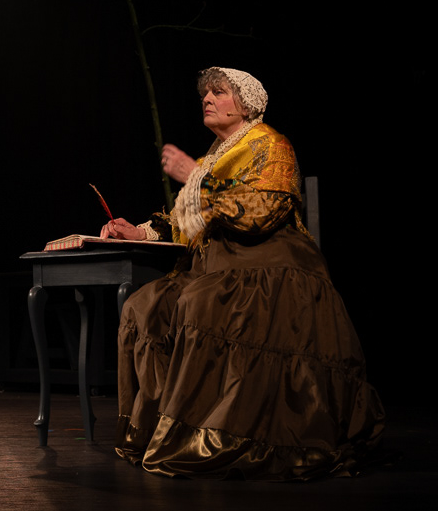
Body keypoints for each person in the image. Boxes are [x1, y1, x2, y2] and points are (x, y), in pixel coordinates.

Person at [101, 67, 383, 480]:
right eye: (206, 94)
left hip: (267, 262)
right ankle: (158, 430)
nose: (207, 99)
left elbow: (260, 210)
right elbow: (184, 219)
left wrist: (195, 177)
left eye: (219, 92)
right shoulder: (212, 157)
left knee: (198, 304)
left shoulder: (271, 145)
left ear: (246, 104)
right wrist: (140, 231)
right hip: (213, 263)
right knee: (144, 306)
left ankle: (214, 433)